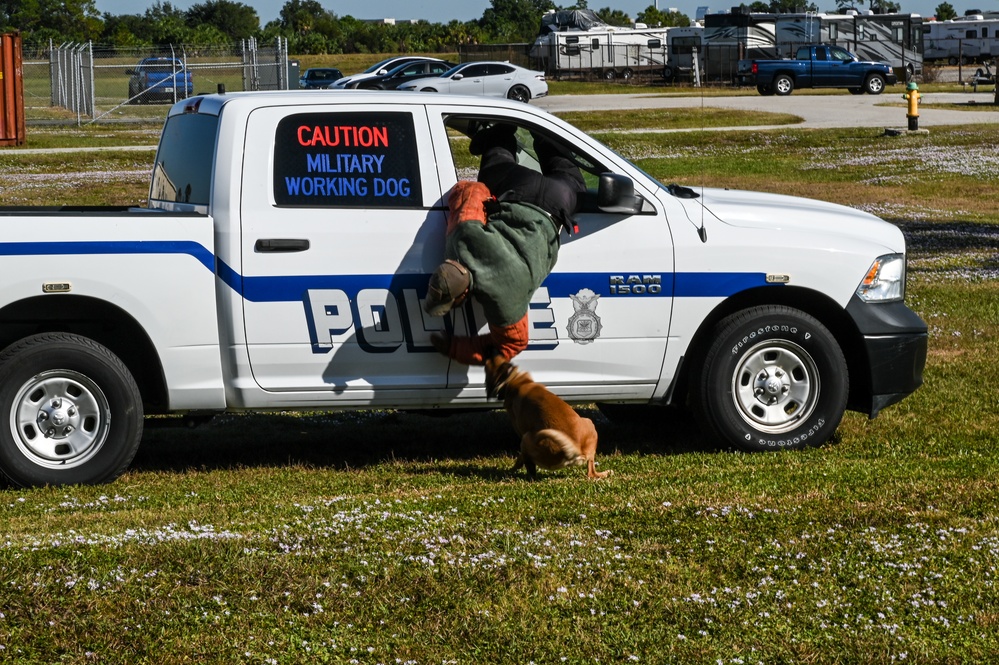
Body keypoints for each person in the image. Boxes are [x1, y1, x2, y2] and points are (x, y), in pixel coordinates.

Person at [424, 123, 586, 365]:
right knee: (496, 166)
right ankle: (506, 134)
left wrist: (452, 348)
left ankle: (547, 140)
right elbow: (470, 189)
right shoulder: (462, 237)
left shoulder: (503, 296)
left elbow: (512, 344)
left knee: (569, 176)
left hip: (557, 202)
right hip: (518, 189)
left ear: (465, 293)